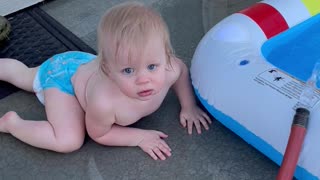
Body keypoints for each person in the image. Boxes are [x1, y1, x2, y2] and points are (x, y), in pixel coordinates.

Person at [0, 2, 211, 160]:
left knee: (25, 74)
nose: (143, 80)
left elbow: (182, 72)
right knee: (68, 140)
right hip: (63, 80)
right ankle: (13, 124)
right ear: (108, 70)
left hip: (83, 62)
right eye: (128, 71)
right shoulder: (104, 103)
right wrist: (137, 137)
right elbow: (99, 134)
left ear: (165, 56)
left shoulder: (170, 68)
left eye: (152, 66)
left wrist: (188, 106)